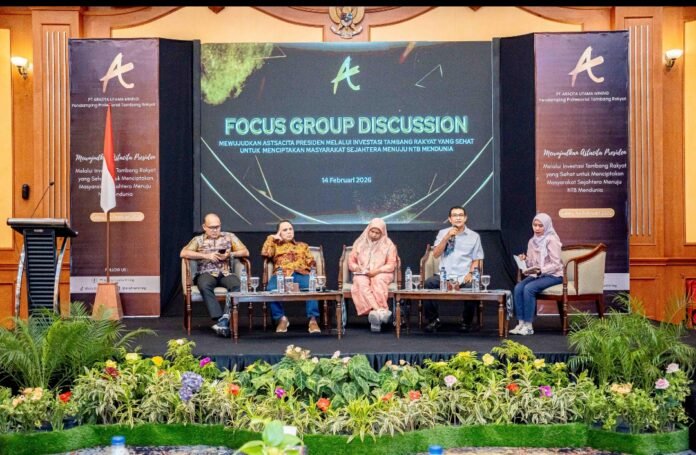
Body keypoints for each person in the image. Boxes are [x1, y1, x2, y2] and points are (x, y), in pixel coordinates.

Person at [180, 213, 249, 336]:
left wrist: (230, 255)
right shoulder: (198, 240)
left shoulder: (229, 237)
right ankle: (219, 318)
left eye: (217, 227)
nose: (215, 230)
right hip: (206, 272)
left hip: (225, 272)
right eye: (212, 227)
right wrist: (206, 256)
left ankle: (224, 320)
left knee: (237, 285)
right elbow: (183, 253)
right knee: (204, 285)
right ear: (204, 227)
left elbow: (245, 252)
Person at [423, 206, 484, 333]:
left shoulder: (474, 236)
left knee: (473, 286)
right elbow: (436, 254)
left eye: (461, 215)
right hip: (444, 275)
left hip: (463, 275)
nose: (458, 218)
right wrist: (446, 237)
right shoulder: (442, 233)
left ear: (465, 218)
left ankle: (466, 322)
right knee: (429, 283)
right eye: (455, 215)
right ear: (450, 219)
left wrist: (471, 273)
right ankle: (433, 320)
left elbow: (477, 259)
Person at [261, 219, 321, 334]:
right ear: (279, 233)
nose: (289, 232)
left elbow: (311, 262)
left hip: (301, 273)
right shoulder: (275, 246)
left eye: (290, 229)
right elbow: (265, 253)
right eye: (285, 230)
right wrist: (272, 238)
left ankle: (313, 320)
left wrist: (312, 273)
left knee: (312, 287)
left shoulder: (303, 246)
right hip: (281, 274)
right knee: (270, 290)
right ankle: (282, 319)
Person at [510, 213, 563, 336]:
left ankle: (529, 326)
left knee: (529, 288)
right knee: (518, 288)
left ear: (547, 226)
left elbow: (556, 264)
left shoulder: (552, 240)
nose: (537, 228)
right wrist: (524, 260)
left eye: (540, 226)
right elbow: (531, 263)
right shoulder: (532, 241)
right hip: (538, 274)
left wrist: (541, 270)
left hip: (554, 275)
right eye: (535, 225)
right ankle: (521, 323)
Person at [348, 218, 397, 332]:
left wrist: (377, 271)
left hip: (382, 273)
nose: (374, 235)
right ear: (368, 230)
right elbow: (351, 262)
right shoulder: (359, 243)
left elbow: (391, 265)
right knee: (360, 282)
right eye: (372, 231)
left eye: (377, 233)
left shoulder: (389, 245)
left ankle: (376, 315)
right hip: (363, 273)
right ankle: (379, 311)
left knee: (378, 281)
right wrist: (357, 268)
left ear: (382, 233)